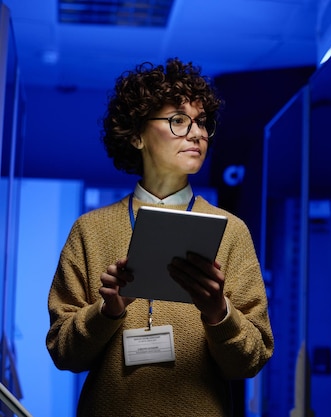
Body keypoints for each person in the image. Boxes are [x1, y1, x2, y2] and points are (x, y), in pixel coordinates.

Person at [45, 58, 274, 416]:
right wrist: (107, 312)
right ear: (136, 135)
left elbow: (251, 361)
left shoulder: (231, 229)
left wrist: (219, 312)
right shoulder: (90, 230)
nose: (197, 134)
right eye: (179, 121)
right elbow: (63, 353)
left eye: (201, 123)